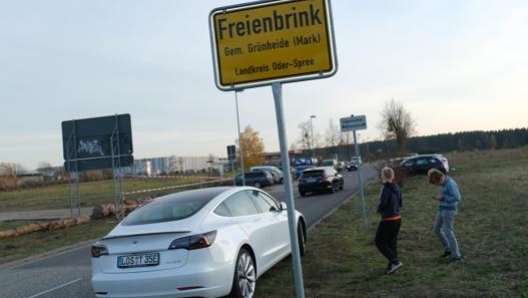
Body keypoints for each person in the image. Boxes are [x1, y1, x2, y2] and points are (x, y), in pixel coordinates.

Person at [427, 168, 462, 263]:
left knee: (448, 232)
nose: (438, 185)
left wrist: (443, 197)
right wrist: (441, 198)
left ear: (441, 178)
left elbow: (457, 197)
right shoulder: (444, 183)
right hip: (442, 209)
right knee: (436, 229)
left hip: (449, 210)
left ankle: (456, 256)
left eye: (437, 183)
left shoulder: (450, 183)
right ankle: (448, 249)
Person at [375, 166, 403, 274]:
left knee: (379, 241)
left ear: (383, 176)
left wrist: (379, 209)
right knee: (392, 242)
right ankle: (393, 266)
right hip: (398, 218)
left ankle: (395, 261)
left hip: (388, 219)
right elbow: (400, 203)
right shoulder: (397, 187)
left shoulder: (385, 188)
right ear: (392, 176)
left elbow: (383, 202)